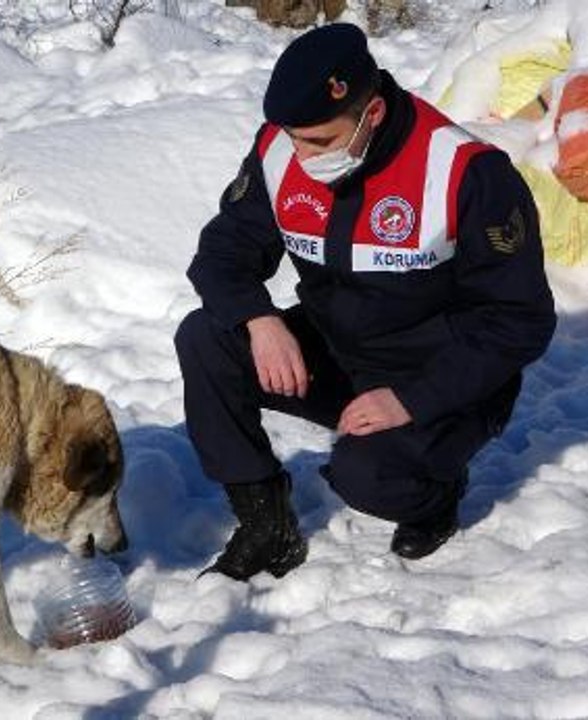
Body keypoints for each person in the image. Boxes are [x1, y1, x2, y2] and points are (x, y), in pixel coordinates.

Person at [175, 23, 556, 580]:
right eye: (294, 138)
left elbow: (520, 322)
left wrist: (412, 399)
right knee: (207, 337)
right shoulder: (283, 147)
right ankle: (265, 525)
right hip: (343, 349)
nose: (302, 156)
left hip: (443, 374)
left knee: (368, 477)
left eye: (322, 142)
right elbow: (223, 252)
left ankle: (436, 494)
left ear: (371, 114)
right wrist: (259, 319)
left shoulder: (465, 172)